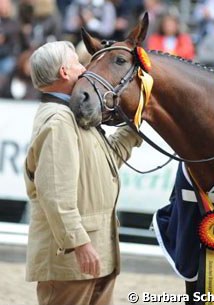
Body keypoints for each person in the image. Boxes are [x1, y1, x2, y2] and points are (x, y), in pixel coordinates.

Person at [24, 41, 142, 305]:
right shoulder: (58, 121)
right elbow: (55, 194)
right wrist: (80, 244)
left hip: (93, 255)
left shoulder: (71, 115)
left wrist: (135, 124)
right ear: (65, 72)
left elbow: (109, 159)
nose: (85, 68)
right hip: (74, 258)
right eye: (78, 63)